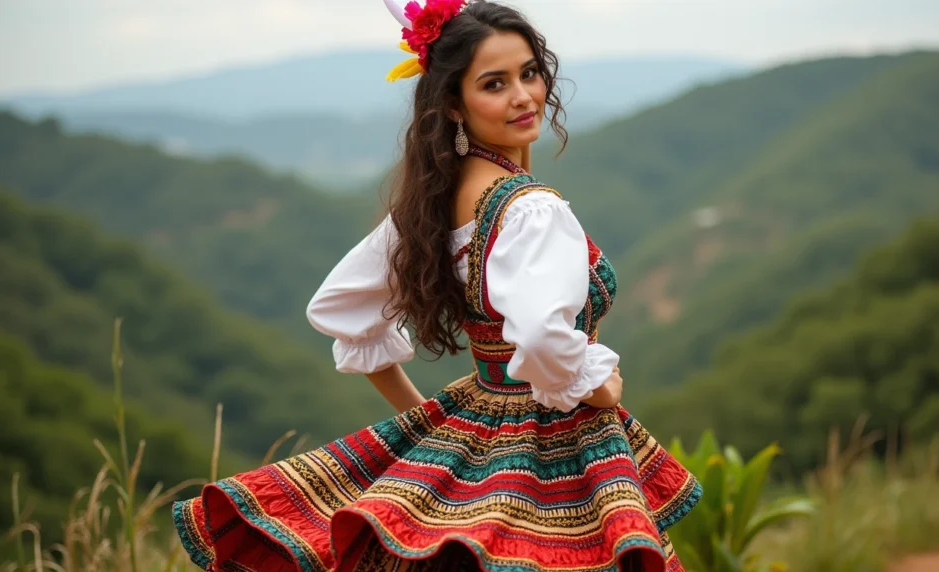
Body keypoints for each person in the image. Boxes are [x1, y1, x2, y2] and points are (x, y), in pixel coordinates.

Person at [172, 1, 701, 570]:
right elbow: (545, 340)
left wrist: (428, 423)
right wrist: (599, 389)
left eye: (529, 72)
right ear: (453, 103)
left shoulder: (433, 200)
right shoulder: (534, 211)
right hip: (559, 454)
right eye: (494, 84)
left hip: (475, 421)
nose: (523, 96)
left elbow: (343, 309)